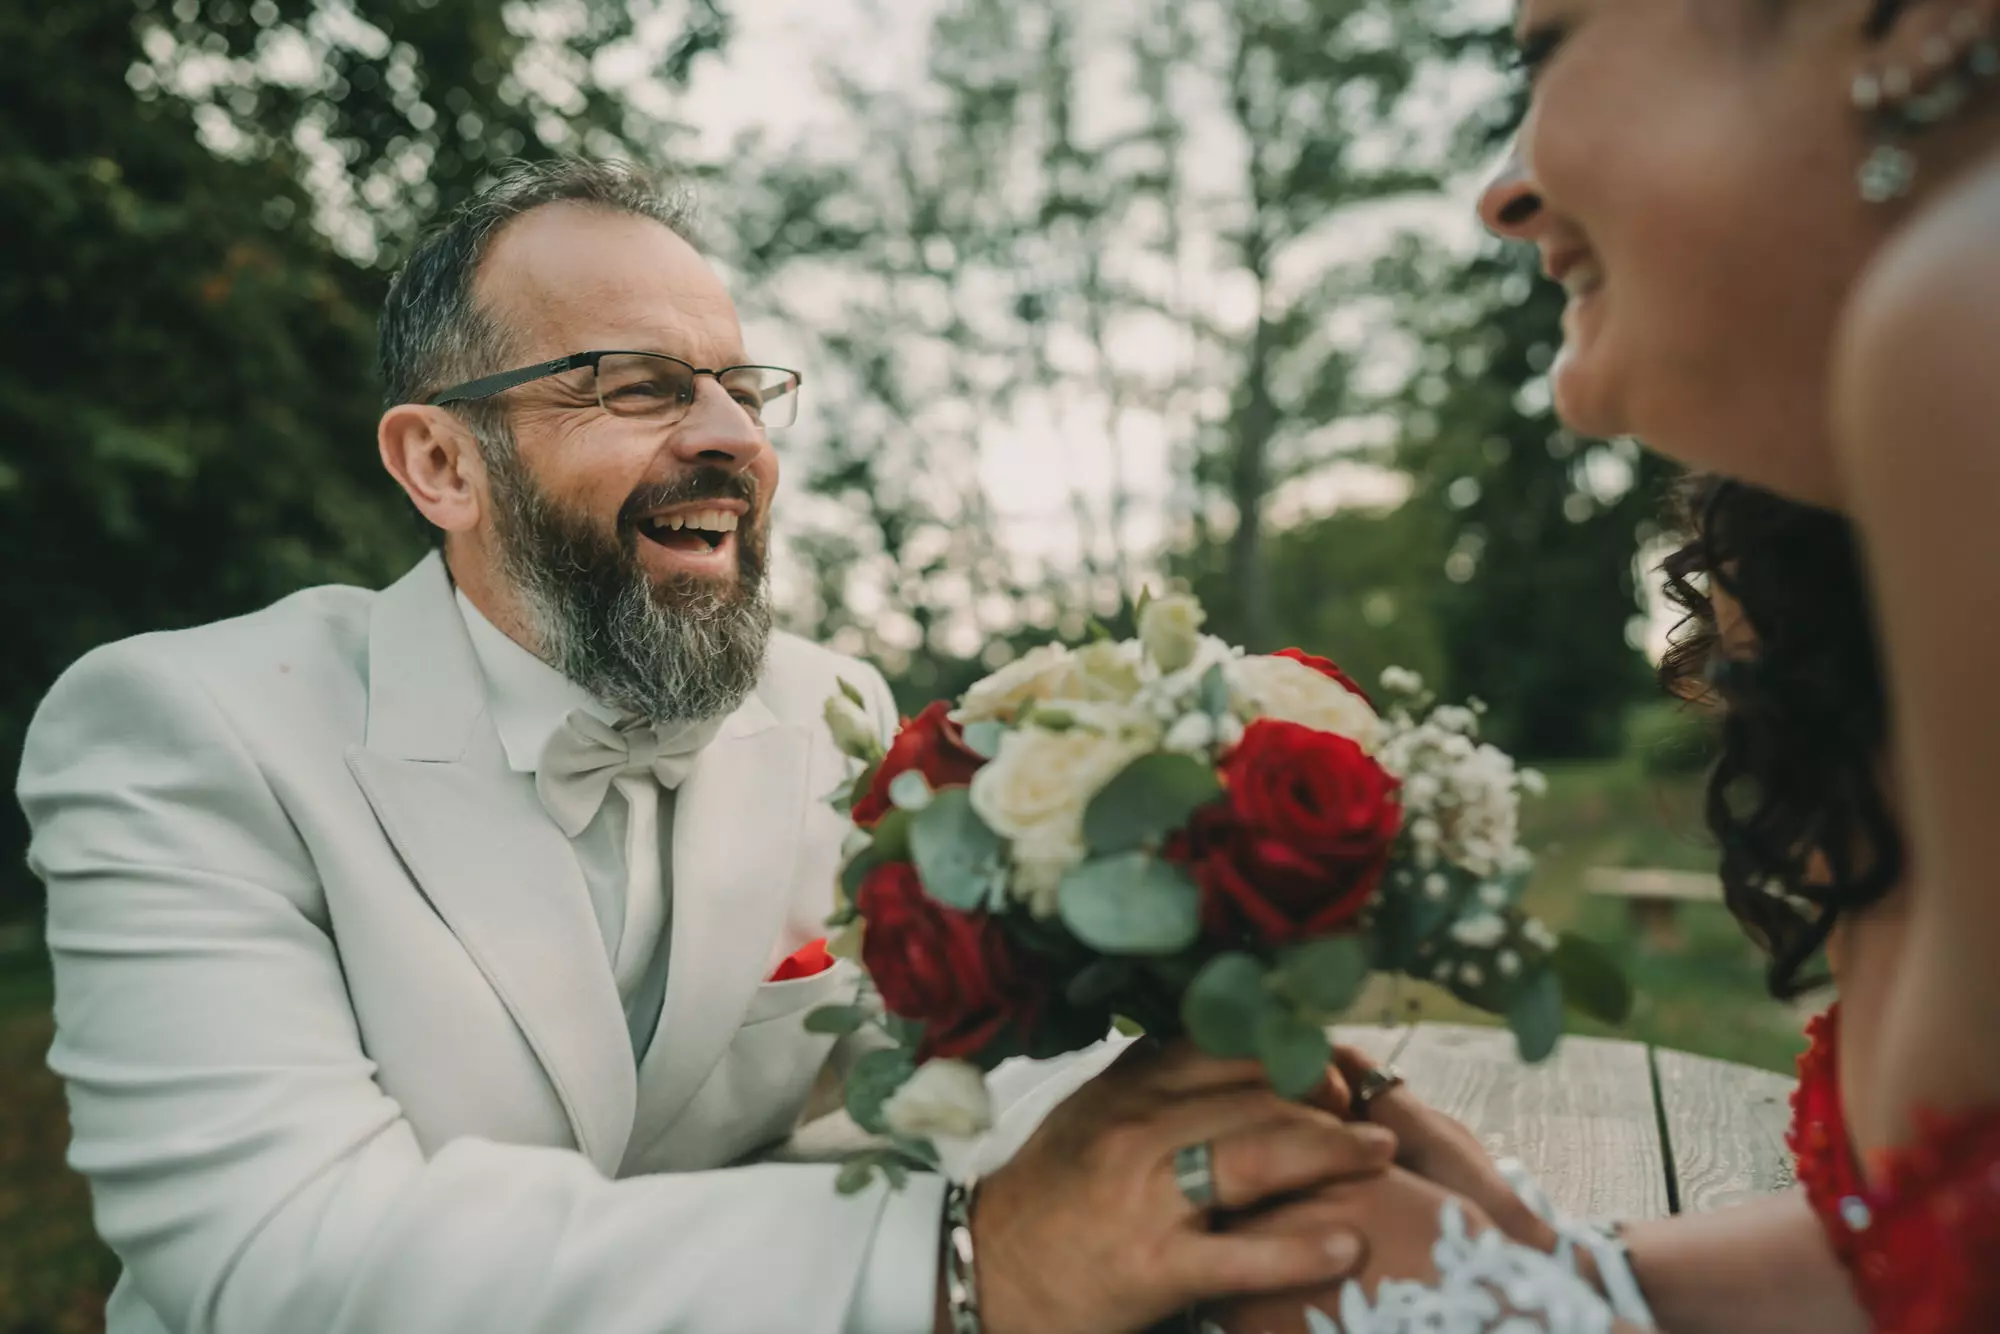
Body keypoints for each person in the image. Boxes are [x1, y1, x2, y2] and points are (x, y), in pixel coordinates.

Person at [15, 158, 1393, 1334]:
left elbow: (931, 1072)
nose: (736, 437)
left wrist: (1198, 1099)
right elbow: (281, 1253)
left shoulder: (831, 707)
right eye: (637, 387)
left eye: (741, 385)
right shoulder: (181, 730)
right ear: (442, 465)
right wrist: (966, 1269)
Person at [1200, 0, 2000, 1330]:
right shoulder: (1827, 561)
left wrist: (1501, 1315)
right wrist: (1562, 1269)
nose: (1504, 194)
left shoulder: (1968, 321)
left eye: (1548, 49)